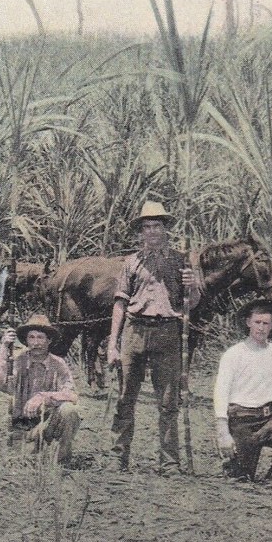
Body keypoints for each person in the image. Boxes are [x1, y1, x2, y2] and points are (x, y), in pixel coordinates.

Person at [106, 201, 200, 474]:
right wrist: (113, 344)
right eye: (146, 227)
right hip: (134, 331)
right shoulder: (131, 262)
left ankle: (169, 462)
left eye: (156, 226)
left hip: (168, 332)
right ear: (141, 232)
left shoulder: (181, 261)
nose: (152, 232)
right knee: (125, 398)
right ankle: (118, 456)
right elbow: (120, 304)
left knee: (169, 402)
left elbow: (191, 303)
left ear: (165, 229)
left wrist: (191, 286)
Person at [213, 299, 272, 482]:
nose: (261, 328)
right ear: (248, 322)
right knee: (242, 479)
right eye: (257, 322)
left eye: (266, 323)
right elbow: (221, 392)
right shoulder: (234, 354)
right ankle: (233, 462)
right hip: (241, 421)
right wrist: (223, 431)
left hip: (267, 420)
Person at [0, 314, 81, 465]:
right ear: (26, 341)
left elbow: (72, 395)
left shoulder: (58, 364)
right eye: (31, 338)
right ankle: (34, 452)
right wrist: (4, 348)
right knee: (21, 463)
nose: (36, 343)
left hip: (49, 426)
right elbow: (0, 384)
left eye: (40, 338)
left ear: (49, 340)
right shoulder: (18, 361)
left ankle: (61, 464)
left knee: (69, 410)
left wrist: (43, 397)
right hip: (22, 427)